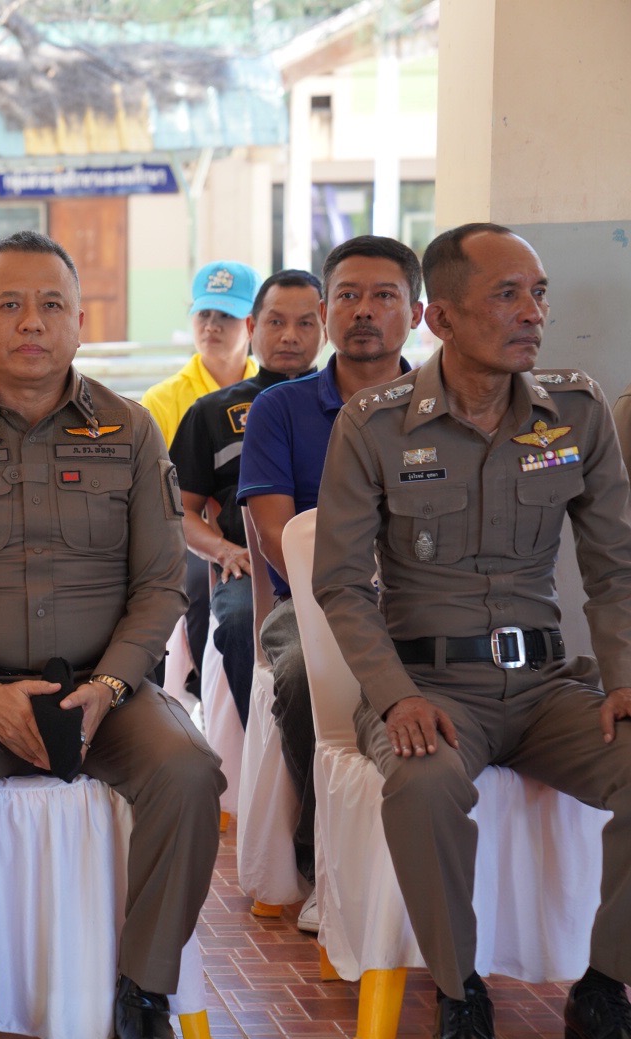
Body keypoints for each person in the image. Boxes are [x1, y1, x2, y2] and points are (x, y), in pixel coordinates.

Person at [0, 231, 224, 1039]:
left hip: (106, 691)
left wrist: (110, 684)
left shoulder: (131, 431)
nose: (32, 322)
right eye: (9, 305)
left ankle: (144, 996)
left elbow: (160, 586)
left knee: (189, 772)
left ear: (79, 322)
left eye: (52, 305)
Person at [315, 222, 631, 1039]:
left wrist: (624, 678)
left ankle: (604, 989)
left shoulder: (576, 411)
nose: (533, 313)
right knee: (422, 783)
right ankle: (460, 997)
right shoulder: (375, 424)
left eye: (539, 294)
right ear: (442, 318)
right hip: (431, 684)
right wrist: (395, 696)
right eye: (508, 295)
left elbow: (615, 568)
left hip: (547, 686)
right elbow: (340, 584)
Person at [237, 235, 421, 930]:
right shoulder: (279, 409)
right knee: (300, 675)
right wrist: (347, 601)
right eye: (348, 295)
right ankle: (324, 863)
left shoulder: (442, 404)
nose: (364, 310)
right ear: (325, 311)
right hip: (309, 603)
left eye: (384, 296)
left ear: (417, 313)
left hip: (423, 602)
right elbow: (277, 535)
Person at [170, 270, 325, 728]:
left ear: (325, 327)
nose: (290, 336)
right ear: (253, 327)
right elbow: (177, 509)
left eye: (305, 323)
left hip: (342, 562)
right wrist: (223, 550)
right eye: (276, 322)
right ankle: (264, 736)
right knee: (240, 620)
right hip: (250, 567)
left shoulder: (348, 406)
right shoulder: (212, 412)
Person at [142, 260, 260, 696]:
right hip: (189, 534)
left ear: (250, 324)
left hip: (260, 532)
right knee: (196, 583)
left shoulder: (271, 391)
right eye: (204, 313)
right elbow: (158, 499)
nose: (212, 325)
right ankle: (198, 690)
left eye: (226, 315)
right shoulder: (163, 399)